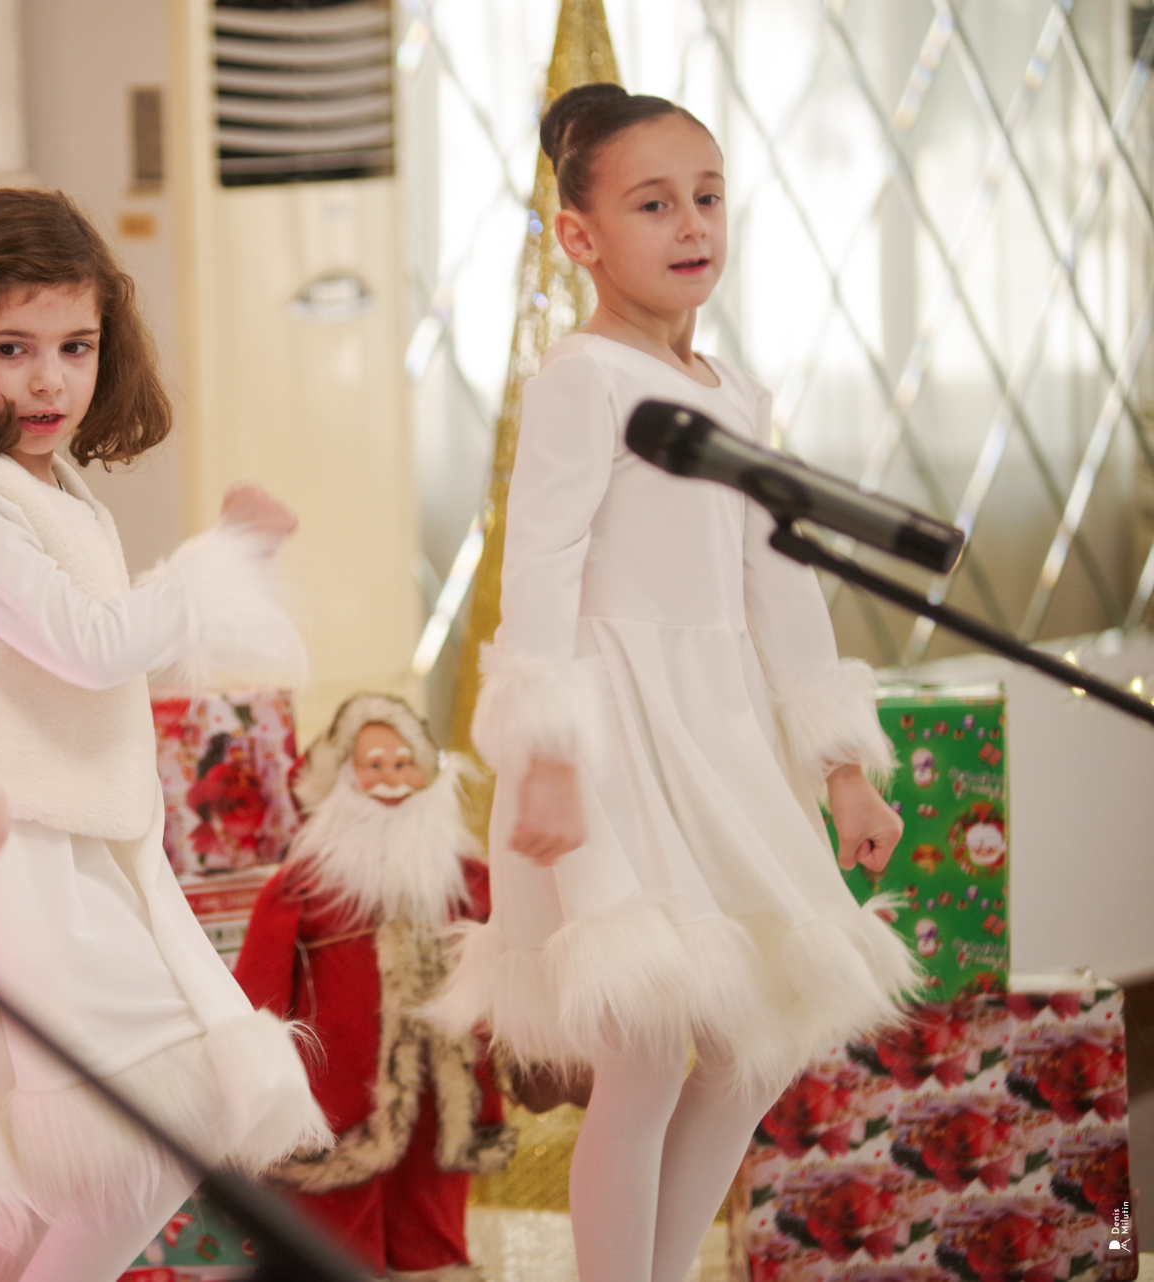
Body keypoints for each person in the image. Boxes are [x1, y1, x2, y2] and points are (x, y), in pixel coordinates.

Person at [428, 85, 918, 1282]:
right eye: (653, 204)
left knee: (757, 1038)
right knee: (647, 1047)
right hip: (610, 740)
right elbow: (537, 576)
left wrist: (842, 768)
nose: (692, 223)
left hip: (720, 733)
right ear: (579, 235)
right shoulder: (582, 379)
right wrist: (546, 758)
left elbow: (782, 586)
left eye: (707, 197)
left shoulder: (732, 392)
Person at [0, 188, 330, 1282]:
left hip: (68, 850)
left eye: (76, 346)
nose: (49, 382)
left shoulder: (47, 487)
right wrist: (225, 556)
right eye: (10, 349)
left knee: (35, 1181)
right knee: (153, 1125)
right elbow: (90, 645)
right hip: (11, 865)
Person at [234, 693, 530, 1282]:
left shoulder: (471, 882)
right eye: (372, 765)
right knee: (333, 1240)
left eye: (402, 763)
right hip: (337, 1098)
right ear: (342, 777)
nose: (391, 778)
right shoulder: (300, 888)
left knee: (432, 1235)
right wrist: (256, 1074)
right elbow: (258, 989)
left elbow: (511, 967)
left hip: (444, 1099)